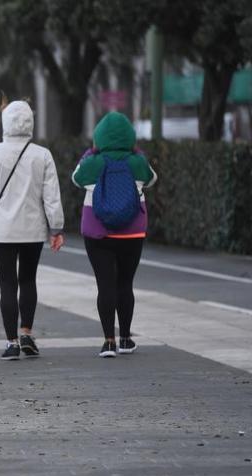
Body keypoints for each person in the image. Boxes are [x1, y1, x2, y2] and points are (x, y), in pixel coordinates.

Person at [0, 100, 65, 361]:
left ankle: (11, 342)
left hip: (2, 232)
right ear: (30, 122)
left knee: (7, 285)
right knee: (28, 280)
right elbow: (52, 197)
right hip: (32, 230)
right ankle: (27, 332)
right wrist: (56, 228)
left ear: (5, 122)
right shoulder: (42, 155)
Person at [72, 112, 157, 358]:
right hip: (132, 233)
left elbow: (76, 179)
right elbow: (152, 179)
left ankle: (108, 341)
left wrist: (91, 153)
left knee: (105, 284)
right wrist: (137, 153)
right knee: (125, 284)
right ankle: (126, 339)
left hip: (98, 233)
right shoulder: (137, 162)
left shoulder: (93, 163)